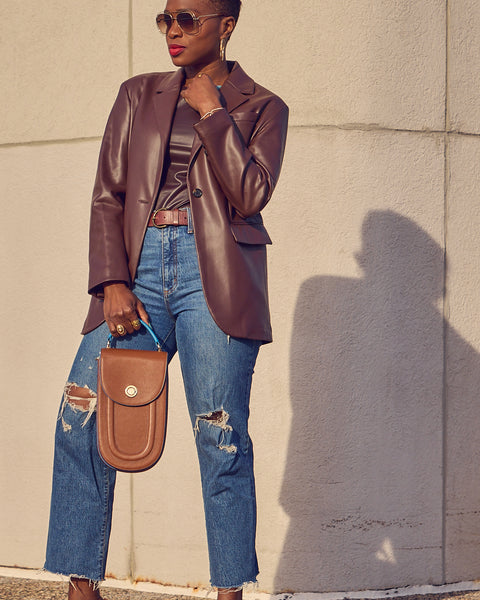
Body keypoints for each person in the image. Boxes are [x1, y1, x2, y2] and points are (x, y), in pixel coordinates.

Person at [44, 1, 288, 598]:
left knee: (219, 432)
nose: (173, 31)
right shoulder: (137, 94)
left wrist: (213, 114)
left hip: (217, 278)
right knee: (81, 414)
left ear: (225, 26)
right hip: (141, 265)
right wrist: (113, 281)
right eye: (165, 19)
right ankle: (81, 586)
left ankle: (229, 591)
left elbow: (251, 193)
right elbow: (108, 194)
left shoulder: (263, 107)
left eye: (188, 19)